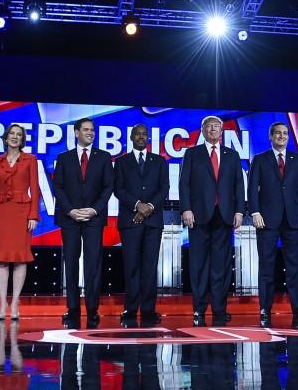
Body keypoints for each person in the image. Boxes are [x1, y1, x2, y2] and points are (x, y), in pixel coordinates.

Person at [179, 115, 245, 326]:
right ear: (203, 130)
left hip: (224, 215)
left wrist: (239, 211)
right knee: (198, 263)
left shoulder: (232, 155)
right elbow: (184, 184)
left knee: (221, 265)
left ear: (222, 131)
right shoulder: (192, 154)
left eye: (217, 127)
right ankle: (199, 309)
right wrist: (186, 209)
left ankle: (219, 309)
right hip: (198, 215)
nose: (213, 130)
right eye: (209, 127)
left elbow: (238, 185)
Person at [248, 122, 298, 327]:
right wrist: (255, 212)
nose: (282, 136)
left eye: (285, 133)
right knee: (267, 267)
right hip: (267, 220)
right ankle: (265, 310)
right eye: (278, 133)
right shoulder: (259, 159)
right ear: (271, 136)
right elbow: (252, 189)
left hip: (293, 220)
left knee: (294, 267)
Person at [52, 117, 114, 328]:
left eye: (92, 130)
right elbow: (58, 187)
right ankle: (72, 308)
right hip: (70, 218)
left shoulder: (104, 157)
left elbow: (108, 187)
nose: (90, 133)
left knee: (93, 264)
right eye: (86, 130)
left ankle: (92, 309)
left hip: (94, 218)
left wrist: (94, 209)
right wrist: (70, 210)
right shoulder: (64, 158)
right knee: (70, 262)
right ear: (76, 132)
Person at [114, 123, 169, 326]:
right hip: (129, 221)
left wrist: (149, 207)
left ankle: (148, 308)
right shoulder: (121, 162)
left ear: (148, 138)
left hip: (153, 222)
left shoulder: (159, 161)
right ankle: (130, 307)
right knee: (131, 266)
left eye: (144, 134)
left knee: (149, 266)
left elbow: (164, 188)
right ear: (131, 137)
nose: (141, 137)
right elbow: (118, 189)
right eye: (137, 134)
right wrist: (138, 205)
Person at [0, 124, 40, 321]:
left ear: (22, 140)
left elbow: (35, 188)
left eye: (19, 135)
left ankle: (15, 303)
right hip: (1, 212)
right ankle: (2, 303)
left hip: (22, 212)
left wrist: (33, 215)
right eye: (12, 134)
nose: (15, 137)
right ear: (6, 138)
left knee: (20, 258)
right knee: (1, 258)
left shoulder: (31, 160)